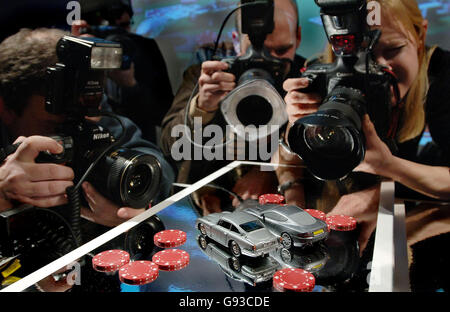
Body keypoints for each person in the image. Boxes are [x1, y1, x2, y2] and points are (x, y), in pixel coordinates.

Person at [279, 0, 450, 284]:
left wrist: (389, 172)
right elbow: (285, 156)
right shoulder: (324, 74)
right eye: (361, 54)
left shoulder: (443, 78)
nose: (376, 68)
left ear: (420, 36)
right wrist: (294, 131)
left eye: (392, 50)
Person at [0, 28, 175, 228]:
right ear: (6, 108)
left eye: (83, 118)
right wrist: (3, 194)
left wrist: (139, 200)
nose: (75, 129)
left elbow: (158, 166)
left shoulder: (92, 117)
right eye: (55, 127)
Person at [160, 0, 305, 214]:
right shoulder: (210, 76)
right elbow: (170, 145)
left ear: (298, 37)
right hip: (206, 201)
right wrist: (202, 106)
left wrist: (267, 171)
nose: (267, 61)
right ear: (236, 42)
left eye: (281, 51)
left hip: (279, 203)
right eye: (256, 51)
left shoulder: (304, 79)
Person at [77, 0, 174, 144]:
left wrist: (130, 86)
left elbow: (163, 113)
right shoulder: (78, 49)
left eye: (123, 26)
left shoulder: (145, 48)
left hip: (137, 145)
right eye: (108, 27)